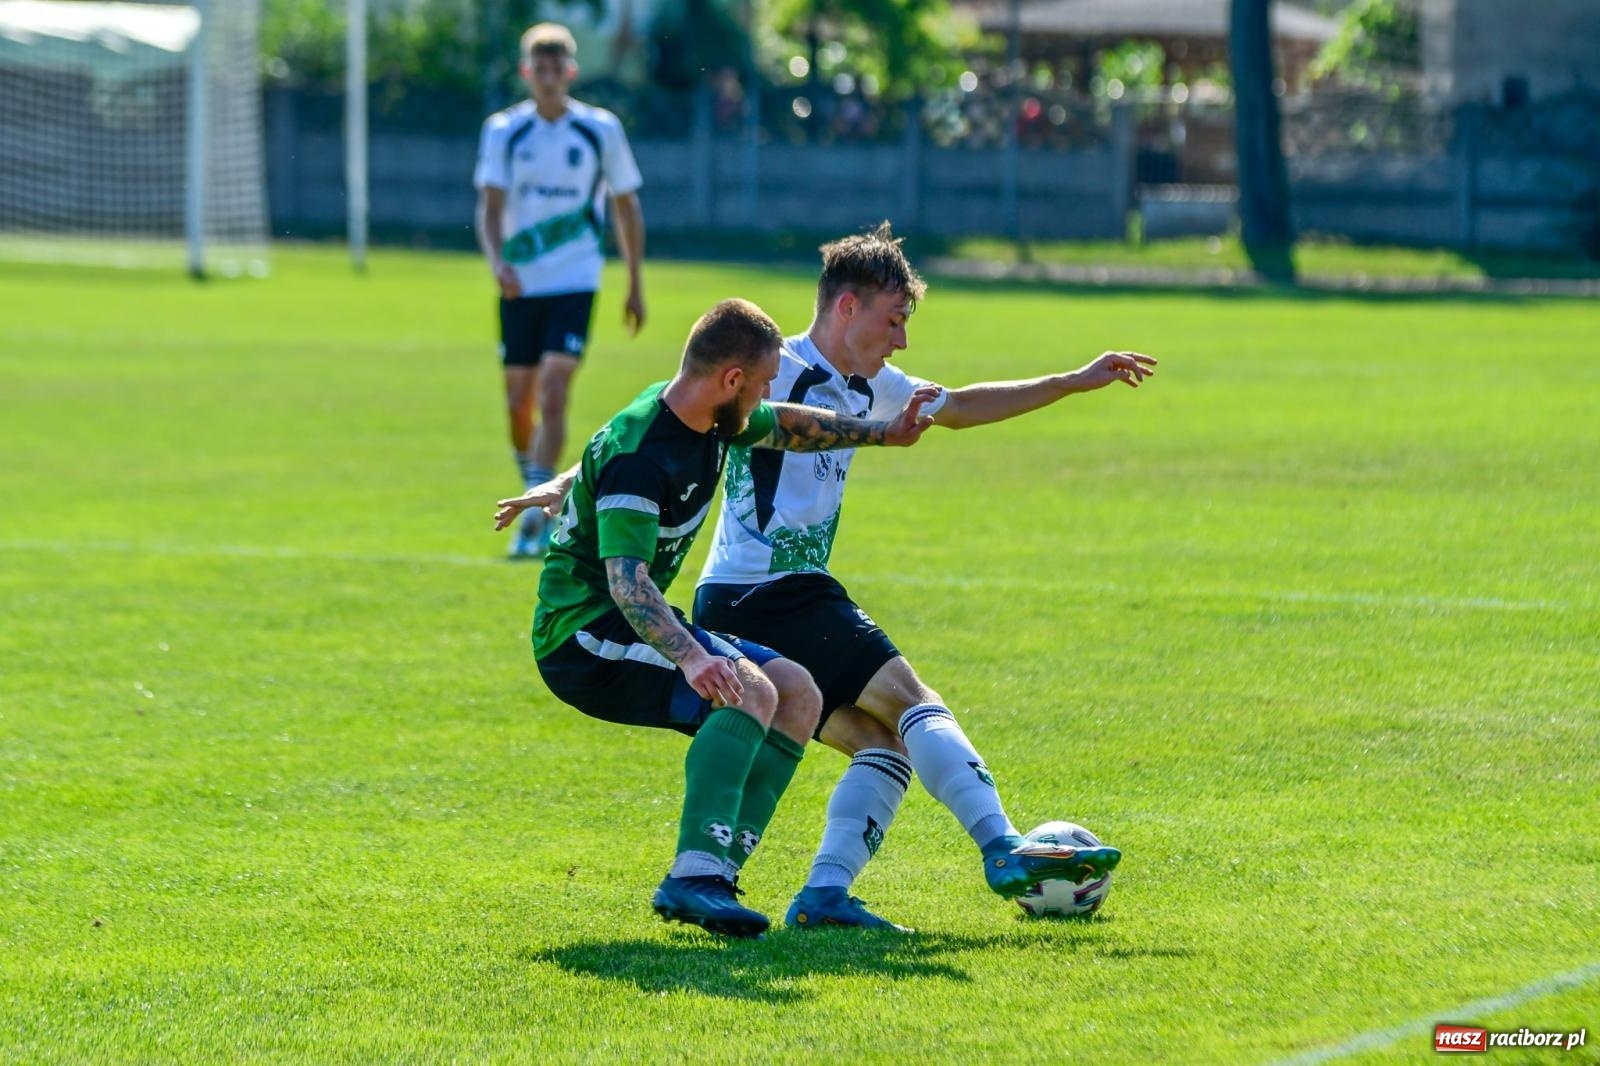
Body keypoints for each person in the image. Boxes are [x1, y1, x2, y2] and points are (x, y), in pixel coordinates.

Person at [691, 223, 1158, 931]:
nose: (901, 341)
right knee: (912, 697)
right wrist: (576, 483)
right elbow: (670, 415)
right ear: (847, 307)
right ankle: (1002, 848)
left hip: (755, 597)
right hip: (768, 591)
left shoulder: (873, 383)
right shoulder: (774, 368)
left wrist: (1072, 380)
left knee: (886, 747)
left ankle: (823, 899)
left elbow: (962, 407)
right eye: (894, 320)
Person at [493, 298, 939, 937]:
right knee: (746, 688)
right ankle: (692, 878)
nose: (762, 397)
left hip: (627, 616)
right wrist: (695, 656)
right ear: (731, 380)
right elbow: (626, 582)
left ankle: (716, 876)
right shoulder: (642, 454)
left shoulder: (709, 416)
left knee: (797, 692)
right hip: (583, 637)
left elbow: (783, 424)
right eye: (758, 384)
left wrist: (883, 432)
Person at [474, 22, 647, 558]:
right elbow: (491, 208)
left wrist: (635, 282)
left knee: (554, 391)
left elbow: (625, 205)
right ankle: (535, 481)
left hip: (576, 280)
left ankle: (535, 517)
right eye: (538, 69)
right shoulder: (505, 131)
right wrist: (497, 262)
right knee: (517, 403)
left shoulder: (600, 130)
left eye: (557, 68)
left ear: (570, 72)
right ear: (527, 73)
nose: (548, 78)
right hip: (520, 285)